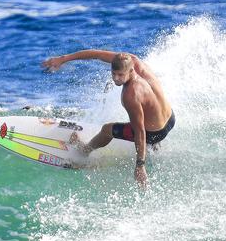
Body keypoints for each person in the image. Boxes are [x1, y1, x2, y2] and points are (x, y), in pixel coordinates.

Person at [41, 50, 175, 187]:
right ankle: (156, 147)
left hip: (154, 133)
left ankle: (84, 151)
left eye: (121, 75)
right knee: (149, 111)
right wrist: (64, 58)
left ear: (131, 70)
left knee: (107, 130)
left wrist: (140, 165)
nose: (116, 78)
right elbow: (96, 54)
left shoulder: (131, 95)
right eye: (113, 74)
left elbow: (140, 131)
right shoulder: (133, 61)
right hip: (170, 118)